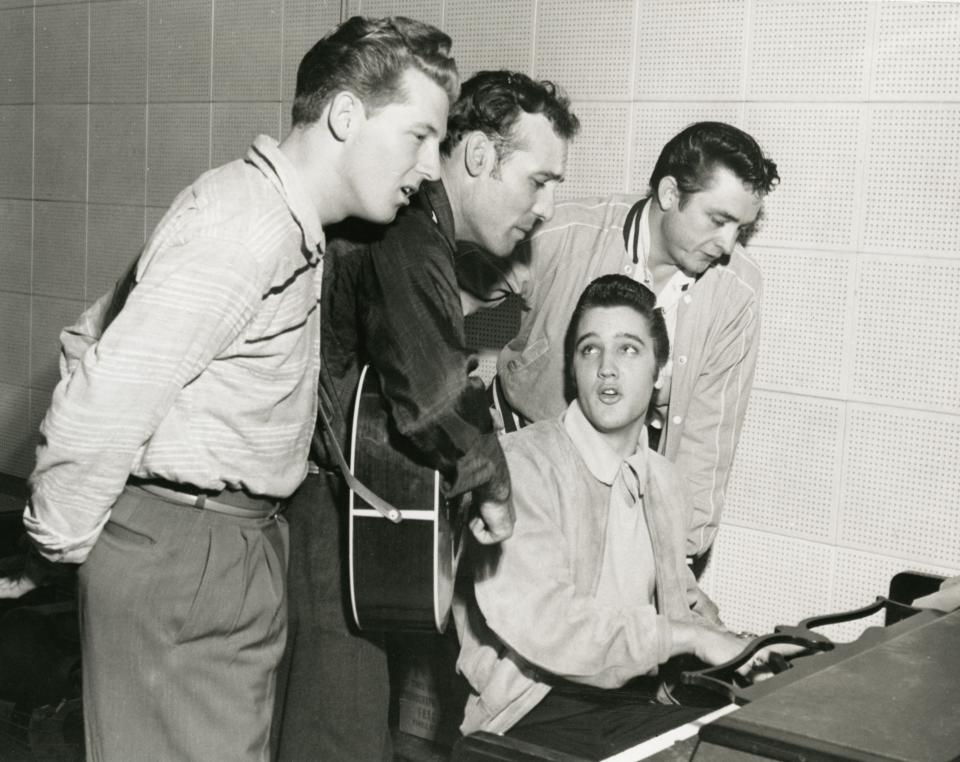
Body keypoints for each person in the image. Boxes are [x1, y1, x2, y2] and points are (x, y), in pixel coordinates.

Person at [0, 16, 457, 762]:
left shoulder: (284, 225)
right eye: (420, 135)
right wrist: (63, 545)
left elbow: (97, 331)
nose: (432, 166)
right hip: (190, 546)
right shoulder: (246, 225)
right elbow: (106, 391)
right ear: (346, 116)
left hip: (229, 540)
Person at [272, 69, 580, 762]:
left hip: (331, 503)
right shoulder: (411, 227)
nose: (549, 207)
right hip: (324, 511)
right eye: (538, 180)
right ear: (476, 157)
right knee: (338, 735)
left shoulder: (421, 229)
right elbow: (433, 397)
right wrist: (495, 485)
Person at [455, 275, 780, 755]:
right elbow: (552, 624)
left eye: (628, 350)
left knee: (763, 739)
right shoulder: (519, 466)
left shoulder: (664, 482)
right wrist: (685, 636)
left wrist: (752, 648)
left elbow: (680, 602)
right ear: (572, 369)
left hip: (633, 705)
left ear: (660, 373)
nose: (606, 368)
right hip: (532, 715)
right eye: (590, 350)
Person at [464, 121, 779, 574]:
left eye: (741, 228)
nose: (728, 244)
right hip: (515, 463)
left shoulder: (738, 292)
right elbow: (432, 297)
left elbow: (707, 442)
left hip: (620, 497)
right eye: (719, 220)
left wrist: (679, 564)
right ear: (670, 194)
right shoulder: (563, 232)